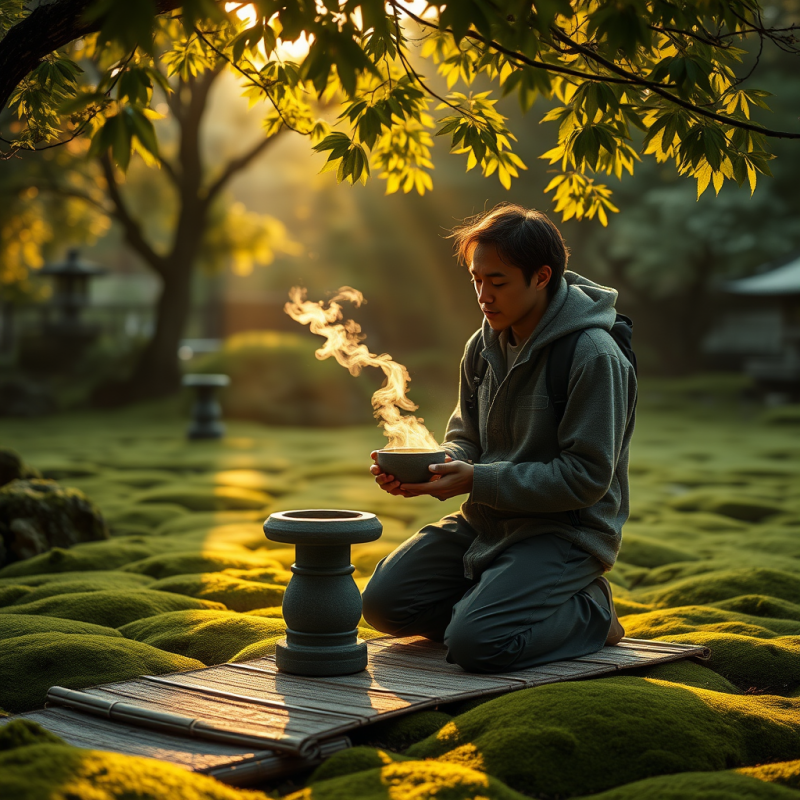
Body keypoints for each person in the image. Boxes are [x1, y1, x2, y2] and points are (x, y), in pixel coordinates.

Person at [363, 202, 637, 674]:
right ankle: (497, 602)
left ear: (542, 276)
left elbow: (587, 478)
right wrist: (436, 466)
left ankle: (591, 613)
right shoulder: (482, 345)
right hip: (487, 522)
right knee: (382, 605)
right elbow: (465, 437)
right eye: (476, 280)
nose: (483, 295)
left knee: (477, 646)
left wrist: (476, 480)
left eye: (498, 281)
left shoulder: (593, 354)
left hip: (563, 532)